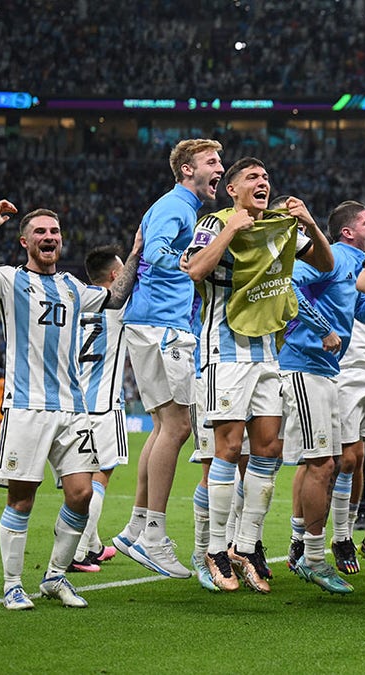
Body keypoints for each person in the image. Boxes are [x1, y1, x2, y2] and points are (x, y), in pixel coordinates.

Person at [0, 200, 140, 609]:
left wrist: (138, 249)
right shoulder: (8, 281)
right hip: (27, 407)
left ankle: (55, 576)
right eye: (39, 232)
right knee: (21, 499)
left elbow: (114, 297)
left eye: (53, 233)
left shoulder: (73, 287)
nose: (48, 238)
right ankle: (12, 584)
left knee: (81, 495)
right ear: (24, 241)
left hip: (72, 410)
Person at [185, 157, 334, 593]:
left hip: (269, 354)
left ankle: (246, 546)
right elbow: (195, 269)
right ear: (232, 189)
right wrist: (232, 229)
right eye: (252, 177)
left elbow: (324, 264)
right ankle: (215, 548)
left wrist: (309, 222)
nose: (262, 182)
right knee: (227, 449)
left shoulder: (278, 225)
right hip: (225, 352)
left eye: (266, 177)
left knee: (268, 448)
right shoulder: (213, 223)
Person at [114, 138, 223, 579]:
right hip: (163, 325)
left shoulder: (179, 207)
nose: (220, 168)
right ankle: (155, 537)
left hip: (153, 323)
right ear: (186, 171)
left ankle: (137, 526)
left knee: (163, 425)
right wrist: (192, 263)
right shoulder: (176, 207)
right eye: (212, 162)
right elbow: (157, 253)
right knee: (177, 427)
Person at [280, 200, 365, 595]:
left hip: (324, 370)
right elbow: (289, 283)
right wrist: (321, 327)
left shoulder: (355, 264)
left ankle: (307, 553)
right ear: (347, 233)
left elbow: (362, 311)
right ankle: (311, 557)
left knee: (324, 464)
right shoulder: (336, 257)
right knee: (323, 464)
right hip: (304, 365)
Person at [67, 245, 133, 573]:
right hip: (104, 405)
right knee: (99, 478)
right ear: (114, 276)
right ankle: (78, 552)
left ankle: (92, 545)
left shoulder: (74, 301)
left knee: (80, 478)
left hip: (72, 404)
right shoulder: (118, 306)